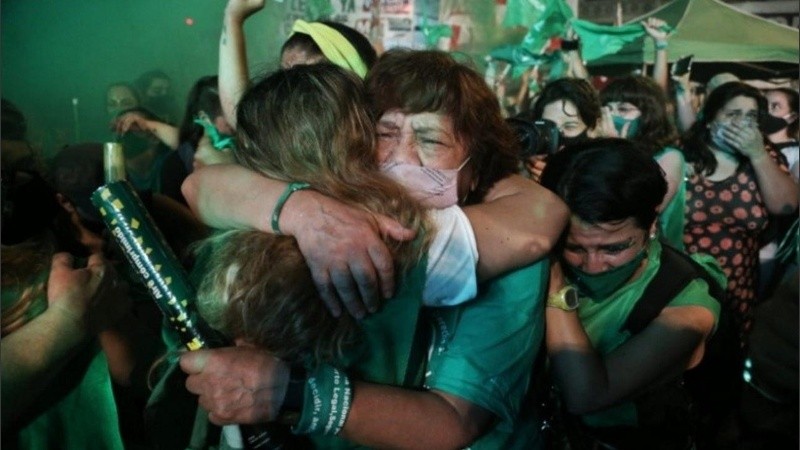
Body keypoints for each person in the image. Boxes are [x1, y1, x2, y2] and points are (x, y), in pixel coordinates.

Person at [540, 138, 725, 449]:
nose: (592, 265)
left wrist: (557, 291)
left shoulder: (687, 303)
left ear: (650, 225)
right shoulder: (547, 256)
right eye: (574, 247)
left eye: (613, 248)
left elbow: (587, 395)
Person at [681, 81, 798, 342]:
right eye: (733, 114)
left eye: (751, 117)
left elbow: (786, 205)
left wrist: (757, 154)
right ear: (710, 120)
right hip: (682, 290)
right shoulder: (684, 159)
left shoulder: (764, 158)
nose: (742, 123)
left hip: (738, 295)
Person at [600, 75, 685, 249]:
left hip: (656, 257)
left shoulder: (669, 157)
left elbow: (646, 207)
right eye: (608, 109)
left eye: (624, 109)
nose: (614, 116)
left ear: (648, 114)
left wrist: (617, 150)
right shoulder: (599, 150)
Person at [520, 77, 603, 182]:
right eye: (550, 126)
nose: (558, 135)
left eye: (569, 126)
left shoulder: (604, 172)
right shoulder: (526, 167)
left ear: (593, 127)